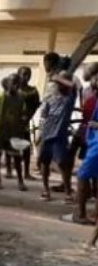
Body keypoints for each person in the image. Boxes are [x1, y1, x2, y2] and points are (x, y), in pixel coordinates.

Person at [62, 63, 98, 225]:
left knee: (83, 175)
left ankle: (81, 214)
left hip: (96, 143)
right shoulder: (91, 94)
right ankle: (95, 214)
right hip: (91, 139)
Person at [38, 69, 77, 202]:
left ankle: (67, 192)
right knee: (44, 162)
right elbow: (43, 116)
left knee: (62, 164)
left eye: (63, 81)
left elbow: (73, 86)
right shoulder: (50, 98)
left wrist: (58, 77)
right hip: (46, 135)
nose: (60, 84)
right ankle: (45, 189)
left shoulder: (69, 98)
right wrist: (40, 134)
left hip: (59, 137)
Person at [5, 66, 41, 180]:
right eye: (24, 74)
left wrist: (28, 117)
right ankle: (9, 170)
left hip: (25, 123)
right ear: (18, 74)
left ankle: (26, 172)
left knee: (26, 147)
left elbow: (36, 106)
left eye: (28, 74)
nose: (26, 77)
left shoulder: (33, 90)